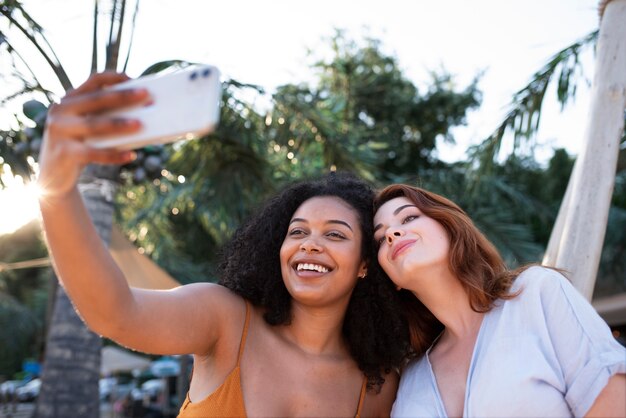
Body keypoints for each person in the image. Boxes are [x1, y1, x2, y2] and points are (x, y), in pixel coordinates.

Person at [37, 72, 408, 417]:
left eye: (335, 234)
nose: (309, 244)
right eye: (297, 232)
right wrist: (55, 187)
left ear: (364, 264)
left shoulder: (377, 386)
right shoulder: (225, 320)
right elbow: (114, 313)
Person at [372, 183, 626, 418]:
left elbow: (611, 394)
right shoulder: (410, 376)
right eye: (381, 239)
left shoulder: (537, 292)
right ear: (392, 279)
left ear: (449, 225)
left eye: (409, 217)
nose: (392, 233)